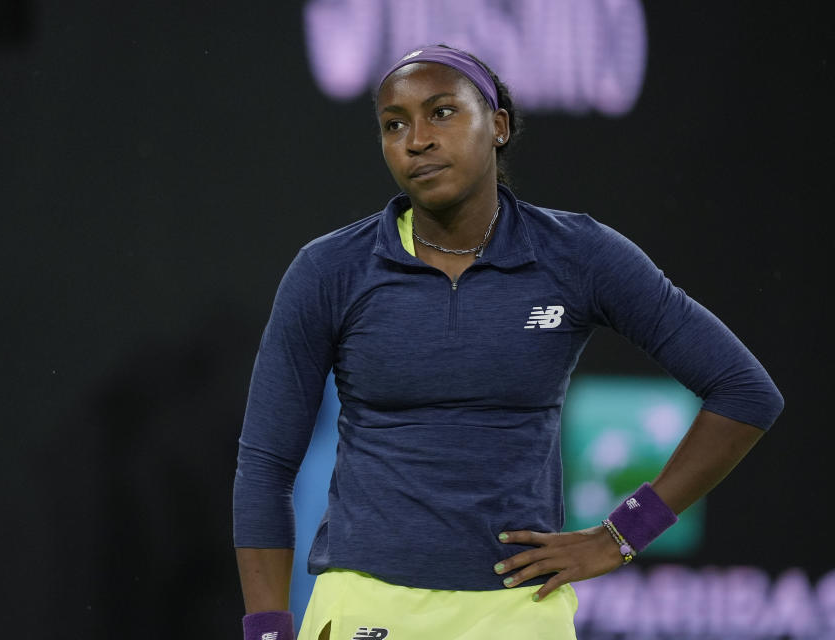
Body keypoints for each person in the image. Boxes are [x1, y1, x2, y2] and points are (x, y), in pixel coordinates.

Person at [232, 44, 783, 640]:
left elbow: (744, 392)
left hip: (517, 613)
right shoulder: (330, 269)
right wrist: (267, 630)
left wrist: (622, 534)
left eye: (442, 112)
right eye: (395, 124)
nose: (417, 139)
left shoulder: (576, 254)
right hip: (367, 604)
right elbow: (265, 466)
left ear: (497, 126)